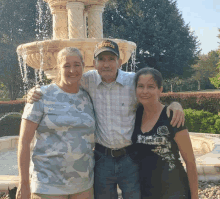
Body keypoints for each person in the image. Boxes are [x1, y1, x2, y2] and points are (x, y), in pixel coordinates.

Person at [27, 40, 185, 199]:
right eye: (101, 59)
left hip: (130, 158)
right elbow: (64, 81)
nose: (106, 64)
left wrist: (175, 104)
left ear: (120, 62)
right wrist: (36, 91)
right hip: (102, 160)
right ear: (94, 63)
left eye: (111, 59)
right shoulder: (87, 80)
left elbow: (152, 94)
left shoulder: (133, 81)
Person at [16, 47, 95, 199]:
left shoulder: (87, 97)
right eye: (66, 65)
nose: (72, 70)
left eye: (77, 64)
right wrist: (24, 182)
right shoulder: (41, 96)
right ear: (58, 68)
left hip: (83, 184)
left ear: (83, 66)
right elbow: (24, 142)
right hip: (48, 185)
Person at [132, 67, 198, 199]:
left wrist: (195, 197)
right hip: (145, 191)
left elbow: (190, 162)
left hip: (174, 190)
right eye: (140, 86)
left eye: (151, 86)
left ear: (160, 89)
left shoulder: (172, 116)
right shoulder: (135, 115)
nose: (145, 91)